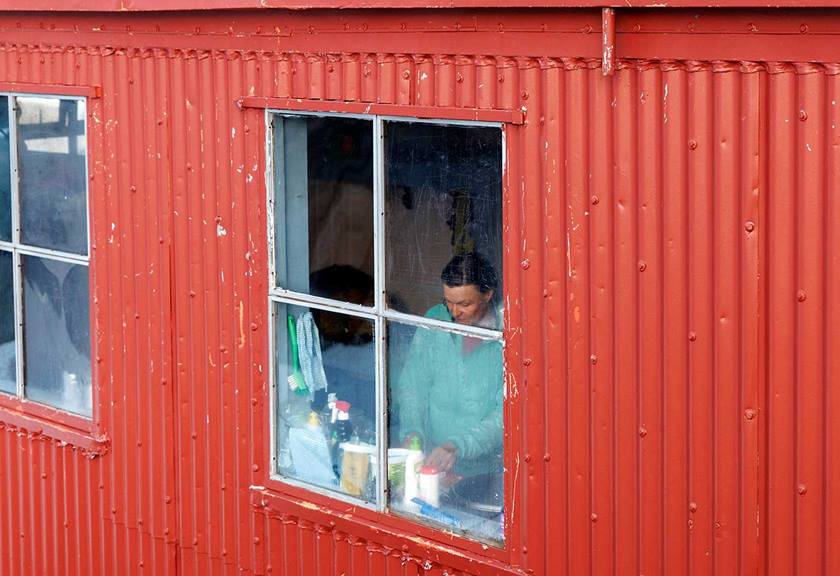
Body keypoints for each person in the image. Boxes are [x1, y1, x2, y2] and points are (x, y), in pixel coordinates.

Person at [395, 252, 503, 481]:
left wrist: (457, 447)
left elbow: (504, 415)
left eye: (465, 304)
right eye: (449, 302)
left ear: (487, 295)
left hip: (487, 471)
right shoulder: (436, 319)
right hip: (431, 461)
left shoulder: (507, 335)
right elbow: (413, 385)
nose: (454, 312)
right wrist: (412, 435)